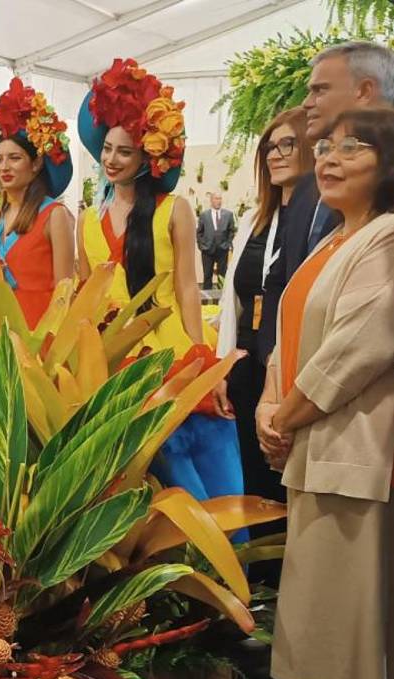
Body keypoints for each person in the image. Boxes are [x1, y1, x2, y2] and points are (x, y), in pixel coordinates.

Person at [261, 107, 394, 679]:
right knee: (337, 632)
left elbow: (356, 349)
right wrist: (270, 403)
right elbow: (292, 336)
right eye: (327, 147)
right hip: (314, 445)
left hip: (354, 455)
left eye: (353, 147)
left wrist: (284, 416)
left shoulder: (387, 237)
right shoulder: (333, 238)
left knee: (363, 635)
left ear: (387, 164)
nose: (330, 158)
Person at [76, 59, 238, 507]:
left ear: (146, 156)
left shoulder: (175, 210)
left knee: (190, 466)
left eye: (124, 152)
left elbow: (188, 287)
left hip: (168, 351)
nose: (111, 159)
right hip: (111, 359)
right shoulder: (87, 220)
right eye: (107, 148)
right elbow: (84, 297)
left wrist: (199, 355)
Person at [258, 41, 394, 366]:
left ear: (364, 90)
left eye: (319, 91)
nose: (307, 103)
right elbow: (280, 281)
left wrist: (294, 405)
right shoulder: (308, 188)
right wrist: (274, 368)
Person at [217, 108, 313, 504]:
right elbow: (231, 301)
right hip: (247, 366)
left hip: (292, 369)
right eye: (269, 147)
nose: (275, 154)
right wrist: (222, 367)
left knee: (288, 483)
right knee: (254, 488)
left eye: (287, 144)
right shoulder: (256, 220)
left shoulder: (320, 221)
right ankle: (258, 566)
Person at [0, 78, 75, 328]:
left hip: (39, 333)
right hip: (0, 329)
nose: (4, 167)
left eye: (15, 158)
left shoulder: (54, 215)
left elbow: (65, 290)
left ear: (36, 164)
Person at [197, 193, 235, 290]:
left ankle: (222, 300)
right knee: (207, 276)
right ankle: (206, 302)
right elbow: (199, 232)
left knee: (222, 276)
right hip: (207, 250)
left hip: (222, 250)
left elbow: (231, 231)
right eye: (216, 198)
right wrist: (201, 246)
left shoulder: (228, 215)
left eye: (220, 198)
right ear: (211, 200)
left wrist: (227, 244)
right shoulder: (204, 215)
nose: (219, 201)